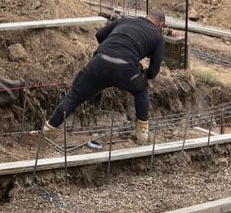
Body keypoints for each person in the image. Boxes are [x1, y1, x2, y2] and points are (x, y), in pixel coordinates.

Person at [43, 10, 167, 144]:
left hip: (99, 64)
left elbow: (99, 34)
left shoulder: (125, 21)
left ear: (146, 17)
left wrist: (111, 49)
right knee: (141, 90)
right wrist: (141, 74)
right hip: (126, 71)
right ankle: (142, 135)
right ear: (161, 24)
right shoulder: (157, 37)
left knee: (74, 96)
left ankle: (48, 129)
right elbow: (154, 71)